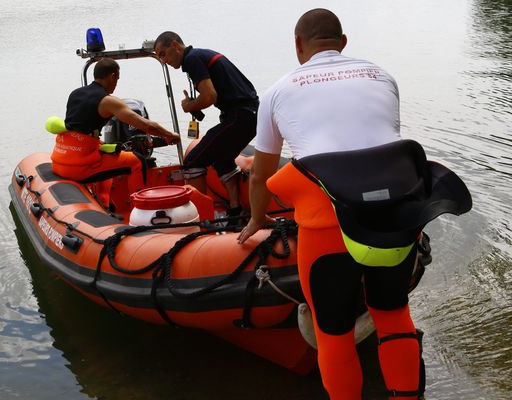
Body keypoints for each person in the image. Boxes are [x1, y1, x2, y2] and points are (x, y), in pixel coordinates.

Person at [238, 9, 423, 400]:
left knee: (333, 332)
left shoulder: (277, 91)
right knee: (393, 315)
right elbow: (375, 149)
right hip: (394, 216)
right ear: (343, 42)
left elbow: (260, 175)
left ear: (298, 46)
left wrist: (257, 219)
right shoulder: (382, 76)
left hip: (326, 226)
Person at [154, 31, 259, 219]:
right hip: (249, 114)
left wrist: (189, 106)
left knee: (193, 161)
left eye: (163, 54)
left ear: (176, 45)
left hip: (240, 115)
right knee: (222, 159)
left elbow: (210, 96)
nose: (163, 61)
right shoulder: (200, 55)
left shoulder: (192, 59)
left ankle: (200, 218)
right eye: (159, 57)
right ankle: (236, 209)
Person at [51, 58, 179, 192]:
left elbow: (80, 128)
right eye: (117, 79)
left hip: (60, 159)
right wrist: (169, 135)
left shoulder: (75, 93)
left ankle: (105, 202)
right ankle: (140, 207)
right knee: (137, 161)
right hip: (79, 167)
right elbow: (146, 126)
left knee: (109, 155)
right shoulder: (107, 101)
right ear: (112, 76)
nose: (116, 84)